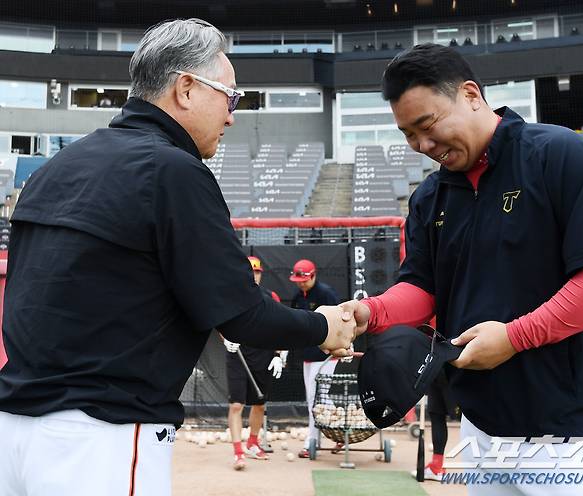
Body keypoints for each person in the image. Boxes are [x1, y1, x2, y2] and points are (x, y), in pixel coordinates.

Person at [0, 19, 355, 496]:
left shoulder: (54, 168)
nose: (233, 115)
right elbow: (243, 316)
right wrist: (325, 328)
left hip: (13, 430)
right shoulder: (173, 170)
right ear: (186, 88)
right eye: (231, 98)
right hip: (101, 439)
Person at [341, 44, 583, 495]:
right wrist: (370, 313)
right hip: (483, 428)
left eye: (427, 125)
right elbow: (422, 289)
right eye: (408, 134)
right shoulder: (429, 197)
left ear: (470, 94)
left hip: (576, 434)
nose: (423, 146)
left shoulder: (560, 153)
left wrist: (514, 337)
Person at [224, 256, 287, 470]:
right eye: (251, 271)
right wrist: (226, 339)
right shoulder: (231, 296)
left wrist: (279, 354)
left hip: (264, 354)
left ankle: (252, 442)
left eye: (257, 271)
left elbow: (281, 326)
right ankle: (238, 452)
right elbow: (219, 321)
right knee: (236, 404)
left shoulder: (270, 297)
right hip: (238, 354)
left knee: (259, 403)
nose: (254, 275)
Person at [289, 259, 342, 458]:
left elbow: (342, 318)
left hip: (326, 353)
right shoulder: (297, 297)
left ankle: (312, 441)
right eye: (298, 279)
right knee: (314, 397)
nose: (301, 283)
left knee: (315, 397)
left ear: (313, 275)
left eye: (304, 279)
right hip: (308, 355)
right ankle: (341, 431)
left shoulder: (326, 293)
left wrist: (342, 345)